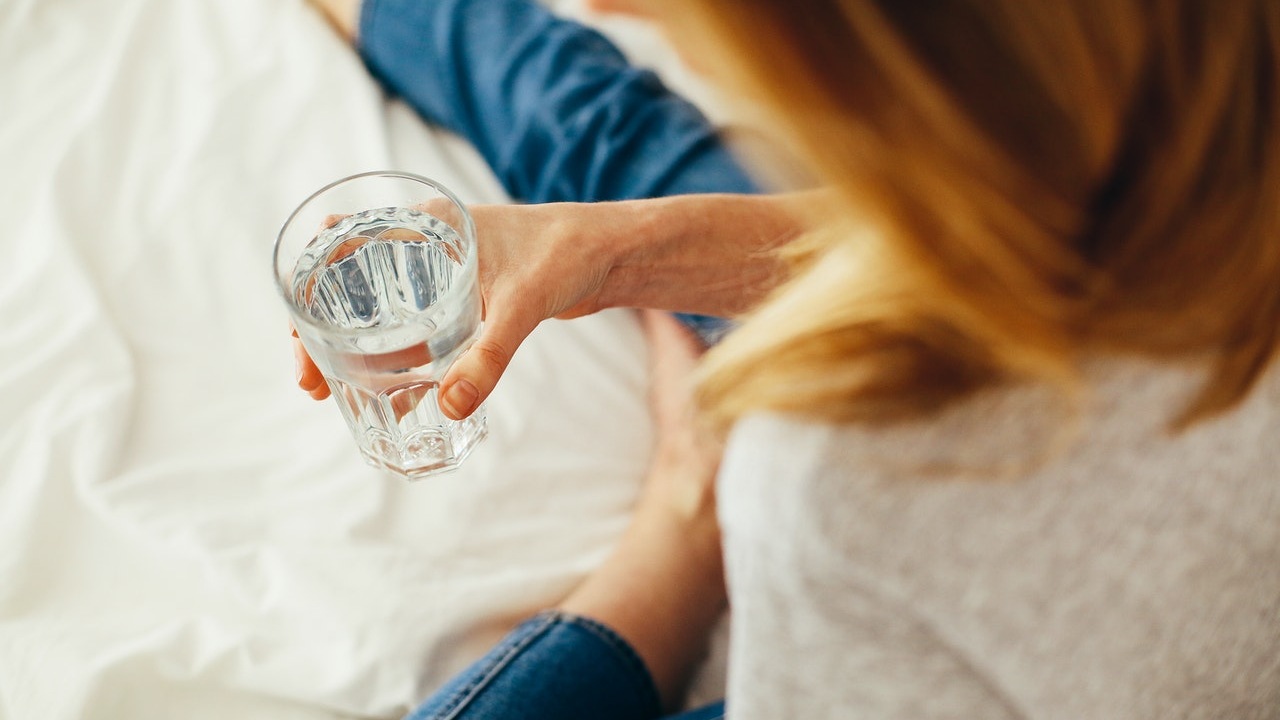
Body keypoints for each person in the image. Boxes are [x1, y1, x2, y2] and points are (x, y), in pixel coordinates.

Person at [300, 0, 1280, 718]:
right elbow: (1039, 246)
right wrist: (617, 252)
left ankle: (683, 527)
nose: (608, 3)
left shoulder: (841, 485)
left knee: (612, 137)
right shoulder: (1206, 106)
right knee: (615, 156)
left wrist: (732, 501)